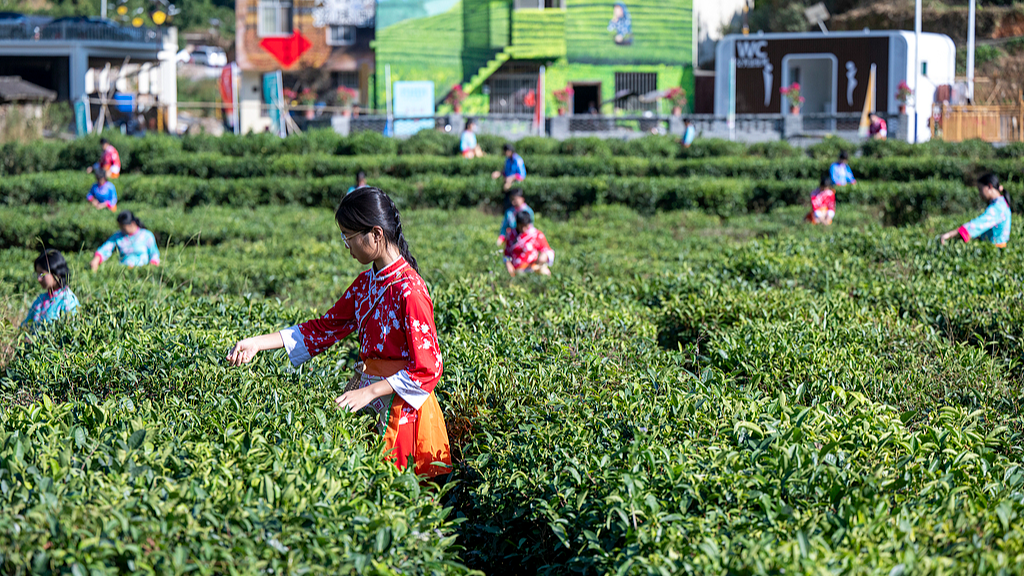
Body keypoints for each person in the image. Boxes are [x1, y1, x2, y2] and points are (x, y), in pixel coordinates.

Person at [226, 187, 452, 478]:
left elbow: (428, 368)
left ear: (376, 234)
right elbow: (325, 327)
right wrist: (257, 343)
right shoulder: (365, 284)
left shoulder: (410, 290)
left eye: (349, 236)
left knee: (401, 498)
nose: (347, 245)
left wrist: (369, 391)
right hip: (367, 400)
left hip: (402, 410)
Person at [940, 173, 1011, 248]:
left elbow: (978, 224)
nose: (980, 194)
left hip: (995, 250)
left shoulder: (998, 207)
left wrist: (951, 234)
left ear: (989, 186)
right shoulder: (1001, 203)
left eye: (980, 190)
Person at [21, 249, 79, 328]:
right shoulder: (40, 299)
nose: (39, 278)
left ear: (57, 273)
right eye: (37, 274)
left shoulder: (68, 301)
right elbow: (25, 326)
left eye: (42, 274)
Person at [90, 210, 161, 271]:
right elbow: (106, 248)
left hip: (141, 270)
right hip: (124, 271)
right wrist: (97, 258)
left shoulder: (147, 235)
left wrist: (152, 268)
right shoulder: (118, 236)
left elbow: (154, 253)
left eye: (123, 227)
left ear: (132, 224)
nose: (121, 229)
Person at [506, 211, 554, 277]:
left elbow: (548, 250)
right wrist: (508, 265)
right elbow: (506, 254)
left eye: (525, 226)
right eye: (521, 226)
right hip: (516, 270)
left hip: (532, 268)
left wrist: (544, 256)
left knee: (546, 272)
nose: (523, 229)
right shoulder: (511, 235)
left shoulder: (536, 234)